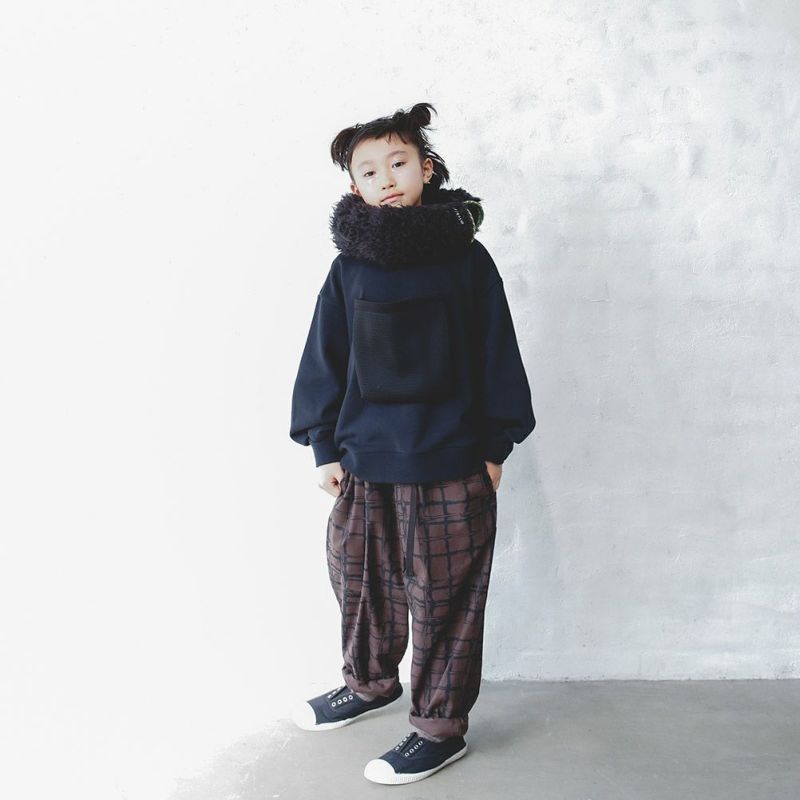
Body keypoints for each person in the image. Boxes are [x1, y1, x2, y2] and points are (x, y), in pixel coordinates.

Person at [288, 101, 536, 785]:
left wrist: (496, 445)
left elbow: (496, 352)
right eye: (369, 171)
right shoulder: (348, 269)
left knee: (446, 597)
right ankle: (369, 683)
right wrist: (323, 446)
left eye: (399, 162)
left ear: (427, 168)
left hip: (452, 457)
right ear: (355, 187)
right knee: (359, 578)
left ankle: (439, 727)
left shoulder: (467, 261)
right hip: (365, 459)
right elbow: (324, 358)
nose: (387, 178)